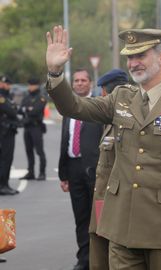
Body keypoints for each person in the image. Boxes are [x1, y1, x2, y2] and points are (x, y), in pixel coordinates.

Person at [46, 25, 161, 269]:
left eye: (141, 55)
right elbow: (74, 107)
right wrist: (55, 72)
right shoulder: (121, 98)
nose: (134, 63)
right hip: (122, 229)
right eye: (130, 57)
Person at [58, 69, 104, 270]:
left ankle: (99, 260)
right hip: (73, 168)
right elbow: (65, 141)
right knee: (81, 218)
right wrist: (63, 174)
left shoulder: (97, 107)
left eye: (83, 80)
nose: (79, 84)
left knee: (98, 218)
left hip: (93, 170)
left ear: (90, 83)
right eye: (76, 80)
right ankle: (83, 260)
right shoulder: (68, 109)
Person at [89, 68, 128, 270]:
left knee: (114, 256)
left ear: (106, 92)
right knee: (99, 253)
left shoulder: (125, 123)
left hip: (115, 202)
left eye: (103, 91)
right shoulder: (109, 122)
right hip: (102, 200)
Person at [19, 78, 47, 180]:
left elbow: (35, 111)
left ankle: (42, 173)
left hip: (36, 127)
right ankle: (30, 172)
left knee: (39, 151)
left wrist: (27, 109)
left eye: (31, 85)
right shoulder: (26, 97)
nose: (29, 87)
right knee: (28, 150)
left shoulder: (41, 98)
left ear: (36, 86)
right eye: (29, 85)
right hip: (27, 127)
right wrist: (27, 109)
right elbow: (20, 110)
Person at [0, 76, 19, 195]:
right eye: (5, 83)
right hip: (4, 132)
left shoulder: (7, 96)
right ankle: (2, 185)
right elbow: (11, 111)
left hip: (9, 131)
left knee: (7, 159)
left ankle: (5, 184)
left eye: (8, 84)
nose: (7, 85)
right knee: (5, 159)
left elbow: (14, 110)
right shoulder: (1, 98)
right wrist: (13, 110)